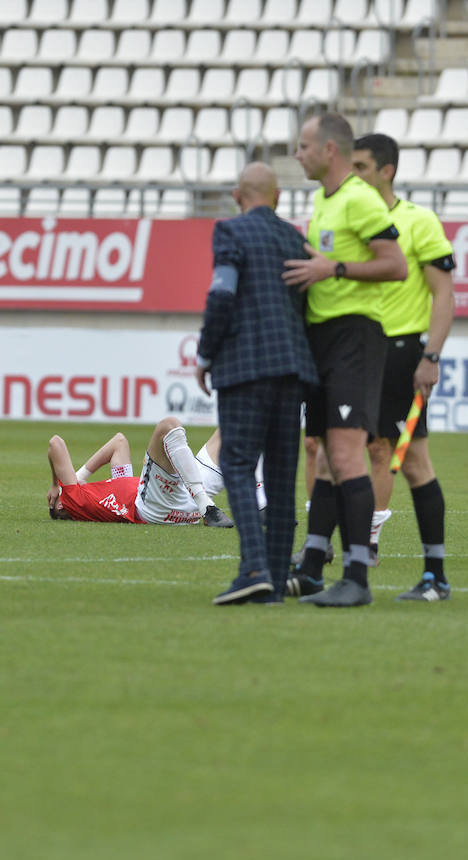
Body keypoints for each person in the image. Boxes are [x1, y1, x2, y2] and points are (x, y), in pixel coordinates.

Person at [280, 112, 407, 607]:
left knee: (349, 454)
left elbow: (395, 265)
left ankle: (356, 576)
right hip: (324, 337)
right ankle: (312, 566)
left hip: (357, 336)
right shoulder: (322, 199)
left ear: (328, 150)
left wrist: (332, 266)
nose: (297, 154)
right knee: (328, 457)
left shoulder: (358, 198)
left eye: (304, 146)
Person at [195, 161, 319, 606]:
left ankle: (253, 570)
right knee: (284, 477)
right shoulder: (294, 238)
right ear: (279, 198)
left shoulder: (230, 233)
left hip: (244, 368)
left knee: (240, 465)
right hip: (292, 370)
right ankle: (275, 574)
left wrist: (206, 354)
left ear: (236, 196)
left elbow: (222, 294)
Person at [349, 133, 457, 601]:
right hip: (358, 352)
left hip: (400, 355)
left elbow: (444, 294)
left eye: (362, 167)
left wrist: (430, 356)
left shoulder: (418, 221)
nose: (354, 175)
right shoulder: (353, 219)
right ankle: (362, 546)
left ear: (386, 170)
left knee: (413, 462)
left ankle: (435, 575)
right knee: (366, 450)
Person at [47, 418, 236, 527]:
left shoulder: (106, 494)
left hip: (185, 507)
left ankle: (257, 499)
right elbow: (55, 443)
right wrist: (56, 485)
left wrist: (80, 478)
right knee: (167, 426)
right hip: (155, 506)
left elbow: (119, 442)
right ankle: (207, 508)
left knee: (230, 424)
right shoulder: (74, 499)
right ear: (62, 506)